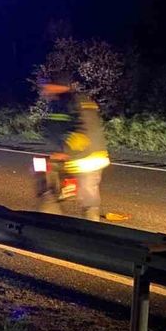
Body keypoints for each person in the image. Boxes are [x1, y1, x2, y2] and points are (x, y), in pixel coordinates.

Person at [38, 75, 110, 221]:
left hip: (82, 158)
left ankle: (48, 223)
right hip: (90, 156)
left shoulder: (68, 102)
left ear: (57, 85)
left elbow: (84, 129)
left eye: (46, 85)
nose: (43, 90)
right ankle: (91, 225)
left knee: (49, 184)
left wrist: (65, 152)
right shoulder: (74, 100)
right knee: (88, 197)